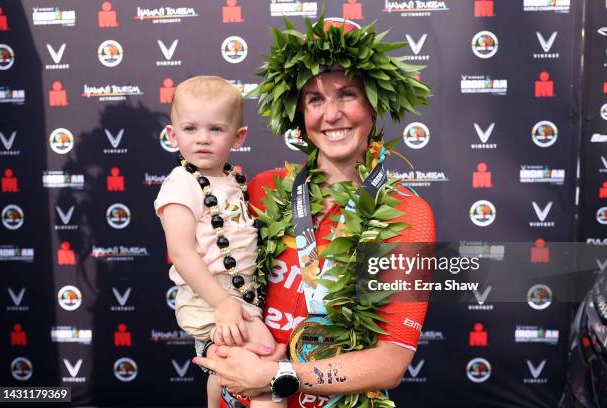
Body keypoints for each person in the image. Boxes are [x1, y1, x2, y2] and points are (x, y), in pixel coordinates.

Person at [194, 17, 435, 408]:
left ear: (375, 104)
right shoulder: (262, 188)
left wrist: (278, 377)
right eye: (315, 99)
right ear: (301, 116)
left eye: (348, 94)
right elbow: (212, 279)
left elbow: (393, 360)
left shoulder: (410, 214)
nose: (331, 114)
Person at [154, 76, 281, 408]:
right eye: (190, 128)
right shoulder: (181, 185)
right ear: (172, 134)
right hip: (210, 299)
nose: (202, 140)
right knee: (268, 377)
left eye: (215, 130)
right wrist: (223, 304)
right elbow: (181, 253)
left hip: (239, 296)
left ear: (238, 137)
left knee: (225, 369)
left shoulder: (231, 180)